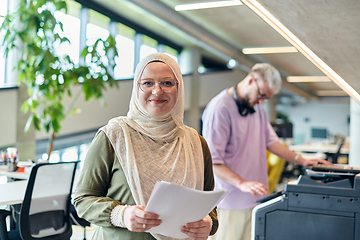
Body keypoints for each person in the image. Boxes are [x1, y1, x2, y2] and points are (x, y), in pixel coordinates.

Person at [73, 53, 218, 240]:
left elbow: (209, 208)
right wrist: (121, 215)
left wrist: (209, 224)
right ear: (137, 88)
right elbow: (83, 200)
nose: (157, 91)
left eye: (167, 83)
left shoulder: (196, 143)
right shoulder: (114, 135)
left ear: (178, 88)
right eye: (148, 83)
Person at [201, 63, 331, 240]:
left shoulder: (256, 109)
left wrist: (301, 160)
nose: (261, 101)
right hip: (229, 202)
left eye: (265, 98)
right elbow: (214, 162)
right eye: (261, 95)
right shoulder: (219, 108)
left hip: (256, 199)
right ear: (251, 80)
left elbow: (272, 142)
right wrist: (242, 183)